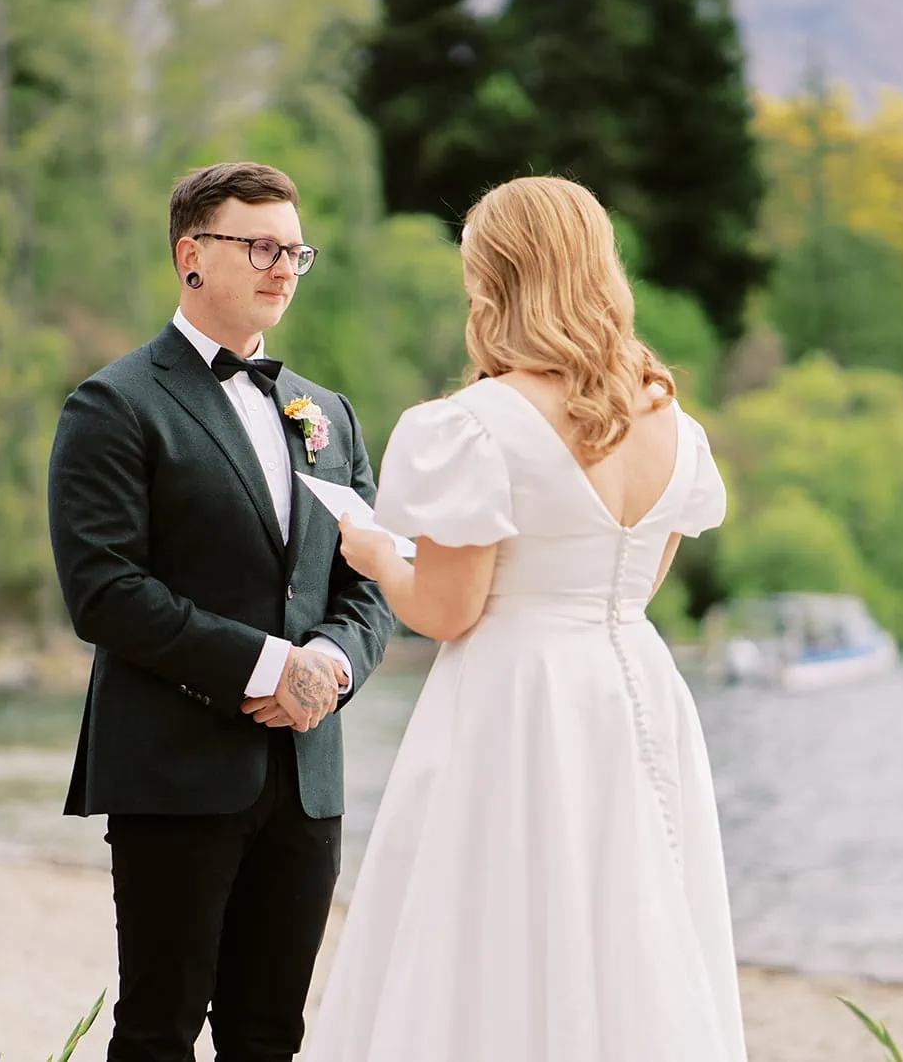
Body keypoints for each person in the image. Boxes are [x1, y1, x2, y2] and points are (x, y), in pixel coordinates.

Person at [304, 176, 748, 1062]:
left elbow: (448, 610)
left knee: (496, 932)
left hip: (518, 703)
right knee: (635, 921)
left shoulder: (472, 426)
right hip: (638, 691)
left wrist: (376, 555)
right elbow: (638, 582)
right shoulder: (668, 419)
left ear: (495, 281)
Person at [46, 161, 394, 1062]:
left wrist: (329, 668)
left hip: (306, 776)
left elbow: (369, 582)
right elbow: (103, 590)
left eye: (296, 252)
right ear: (190, 255)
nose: (284, 268)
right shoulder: (113, 404)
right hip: (174, 767)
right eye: (262, 247)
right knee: (157, 1032)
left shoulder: (326, 412)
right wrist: (271, 666)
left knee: (271, 1034)